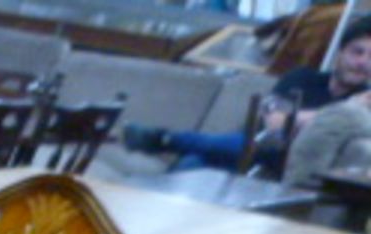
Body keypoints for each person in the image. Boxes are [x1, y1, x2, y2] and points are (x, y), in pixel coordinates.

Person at [123, 13, 371, 169]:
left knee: (218, 154)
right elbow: (274, 123)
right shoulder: (302, 77)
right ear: (340, 53)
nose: (362, 62)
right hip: (243, 146)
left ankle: (168, 139)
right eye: (356, 52)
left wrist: (346, 110)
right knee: (192, 164)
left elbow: (286, 132)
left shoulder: (365, 102)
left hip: (278, 162)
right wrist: (341, 113)